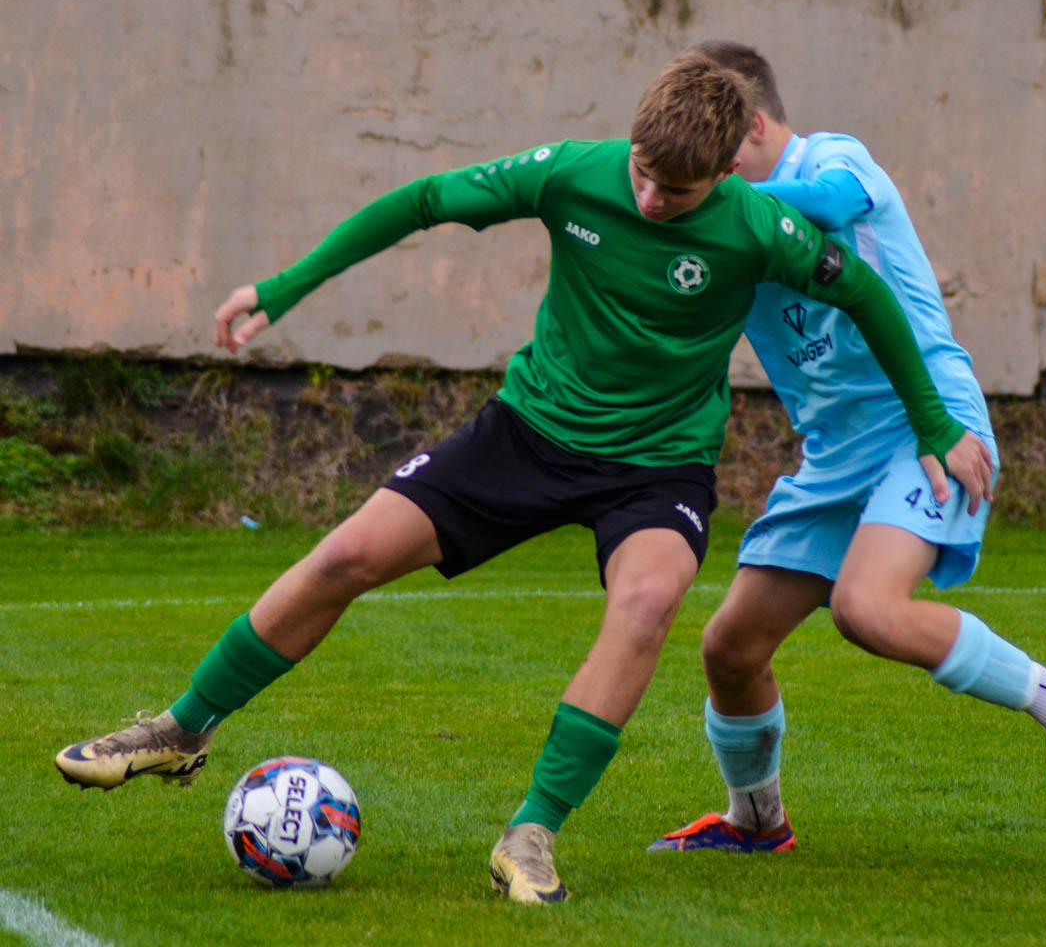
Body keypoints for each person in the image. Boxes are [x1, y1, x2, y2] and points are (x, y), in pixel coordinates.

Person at [54, 53, 994, 904]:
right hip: (527, 432)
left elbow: (865, 294)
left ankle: (531, 832)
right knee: (346, 556)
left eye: (675, 189)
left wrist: (935, 423)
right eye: (642, 173)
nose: (650, 197)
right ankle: (180, 729)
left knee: (649, 601)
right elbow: (425, 200)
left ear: (722, 173)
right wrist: (283, 287)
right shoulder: (571, 173)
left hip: (657, 466)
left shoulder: (759, 225)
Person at [647, 41, 1046, 856]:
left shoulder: (830, 160)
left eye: (718, 164)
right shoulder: (722, 219)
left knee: (865, 610)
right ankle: (754, 821)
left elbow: (831, 203)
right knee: (730, 648)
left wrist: (720, 200)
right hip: (832, 457)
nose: (708, 182)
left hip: (928, 426)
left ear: (754, 125)